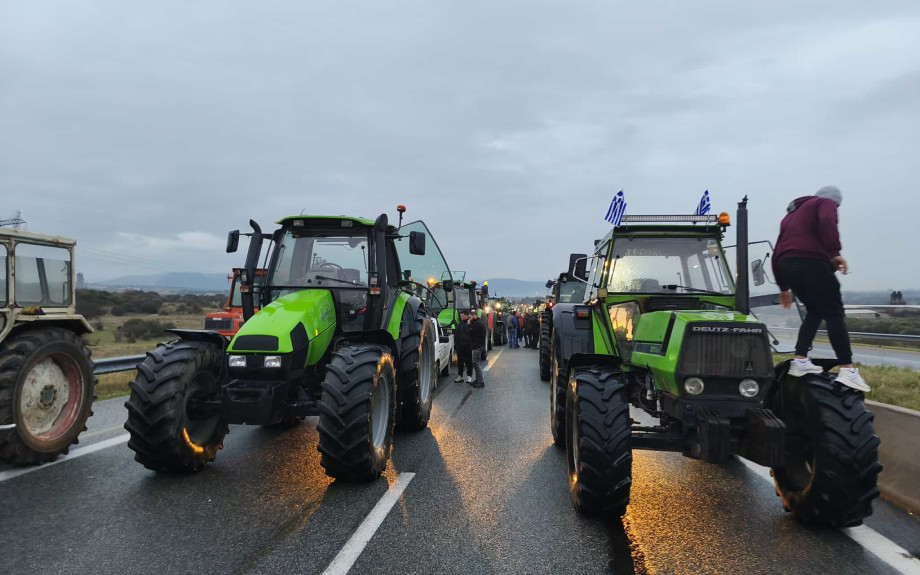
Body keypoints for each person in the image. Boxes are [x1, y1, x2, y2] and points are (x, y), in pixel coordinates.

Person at [773, 185, 869, 391]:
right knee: (834, 312)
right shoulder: (824, 202)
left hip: (786, 265)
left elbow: (778, 251)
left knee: (815, 311)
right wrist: (834, 252)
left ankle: (800, 361)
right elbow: (827, 221)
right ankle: (848, 370)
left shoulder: (790, 216)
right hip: (810, 262)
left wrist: (784, 287)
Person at [468, 309, 487, 387]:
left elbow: (469, 333)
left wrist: (469, 325)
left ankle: (480, 381)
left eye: (470, 317)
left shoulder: (477, 324)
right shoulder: (478, 323)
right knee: (476, 363)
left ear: (474, 316)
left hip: (477, 346)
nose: (469, 319)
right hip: (479, 345)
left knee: (476, 363)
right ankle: (477, 379)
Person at [454, 310, 473, 383]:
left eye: (462, 315)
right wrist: (457, 344)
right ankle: (460, 375)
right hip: (460, 346)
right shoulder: (459, 324)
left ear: (467, 315)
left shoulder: (470, 324)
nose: (461, 316)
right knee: (460, 361)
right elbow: (456, 334)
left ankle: (469, 376)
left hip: (468, 346)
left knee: (469, 361)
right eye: (460, 315)